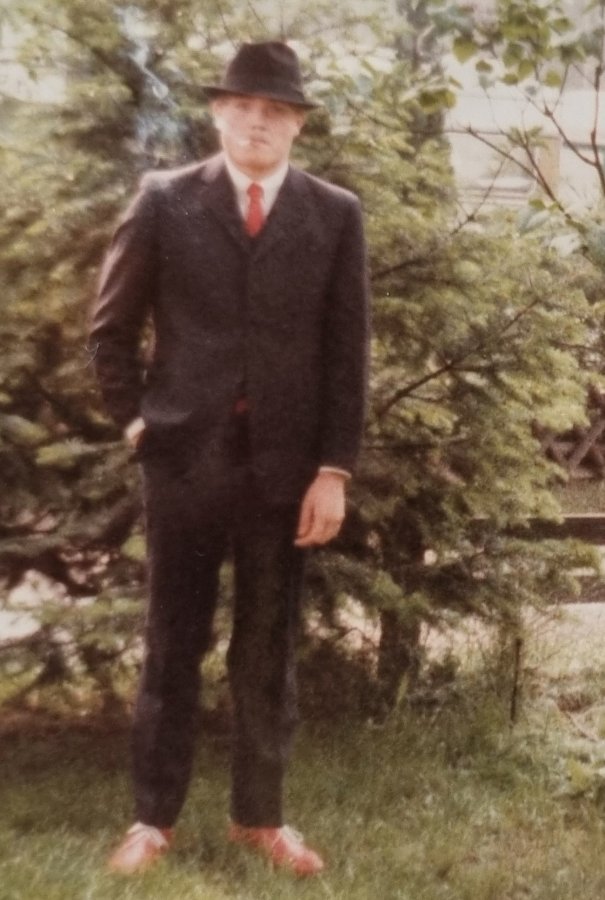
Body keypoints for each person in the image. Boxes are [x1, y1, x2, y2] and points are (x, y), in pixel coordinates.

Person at [89, 40, 369, 878]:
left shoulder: (333, 213)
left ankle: (261, 818)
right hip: (183, 462)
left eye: (275, 111)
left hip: (284, 473)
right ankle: (152, 820)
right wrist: (136, 424)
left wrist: (333, 470)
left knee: (266, 649)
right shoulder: (165, 200)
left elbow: (346, 352)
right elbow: (109, 330)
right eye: (243, 107)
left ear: (296, 125)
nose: (257, 122)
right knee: (171, 642)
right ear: (217, 113)